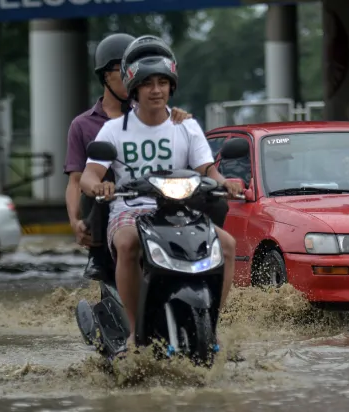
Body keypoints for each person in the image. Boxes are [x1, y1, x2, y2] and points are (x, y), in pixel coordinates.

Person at [79, 35, 243, 350]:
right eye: (148, 83)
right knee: (126, 243)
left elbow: (208, 170)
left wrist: (226, 183)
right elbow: (89, 175)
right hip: (131, 209)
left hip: (181, 210)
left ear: (171, 86)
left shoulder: (186, 126)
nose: (156, 90)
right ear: (134, 88)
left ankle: (212, 325)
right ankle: (133, 332)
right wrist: (99, 185)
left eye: (162, 83)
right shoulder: (113, 130)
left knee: (227, 245)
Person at [64, 33, 193, 280]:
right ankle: (99, 256)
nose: (132, 75)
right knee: (95, 190)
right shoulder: (83, 125)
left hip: (158, 200)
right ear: (105, 75)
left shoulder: (157, 116)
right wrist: (75, 222)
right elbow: (76, 180)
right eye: (122, 68)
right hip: (111, 206)